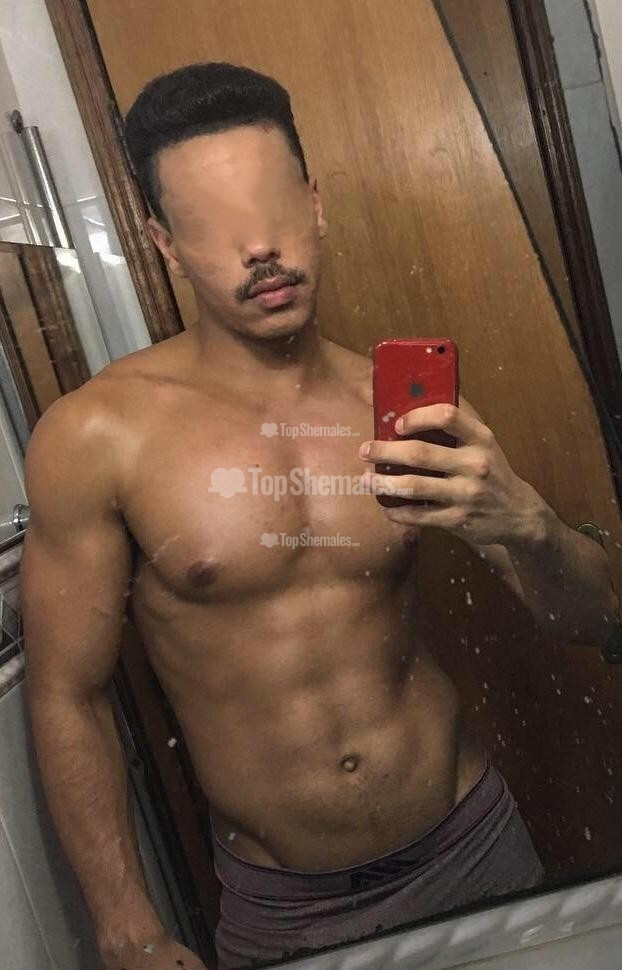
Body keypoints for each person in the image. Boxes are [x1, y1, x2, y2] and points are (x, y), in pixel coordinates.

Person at [20, 62, 619, 970]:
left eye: (276, 212)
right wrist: (125, 925)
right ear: (165, 245)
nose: (260, 249)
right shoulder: (99, 435)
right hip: (285, 911)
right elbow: (68, 691)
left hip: (477, 849)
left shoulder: (409, 408)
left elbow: (595, 619)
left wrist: (525, 521)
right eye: (215, 228)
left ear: (316, 204)